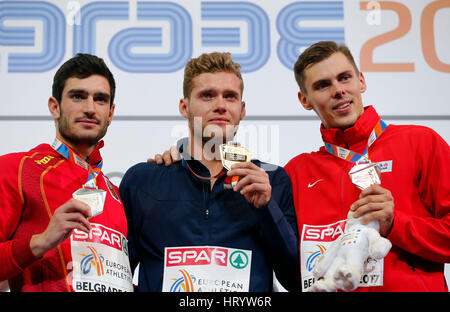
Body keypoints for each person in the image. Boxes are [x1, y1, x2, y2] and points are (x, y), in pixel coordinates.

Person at [119, 52, 300, 292]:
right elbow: (117, 278)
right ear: (184, 106)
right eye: (207, 96)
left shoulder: (273, 180)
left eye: (230, 97)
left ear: (242, 109)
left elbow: (297, 280)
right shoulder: (143, 180)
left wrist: (267, 209)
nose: (221, 106)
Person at [285, 41, 450, 291]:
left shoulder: (421, 143)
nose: (338, 90)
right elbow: (284, 261)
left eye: (344, 78)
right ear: (305, 100)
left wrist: (395, 224)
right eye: (322, 85)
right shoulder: (296, 172)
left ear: (361, 81)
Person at [0, 54, 133, 292]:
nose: (90, 108)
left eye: (100, 99)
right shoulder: (16, 169)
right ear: (55, 106)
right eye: (78, 96)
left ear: (110, 113)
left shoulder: (113, 191)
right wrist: (40, 242)